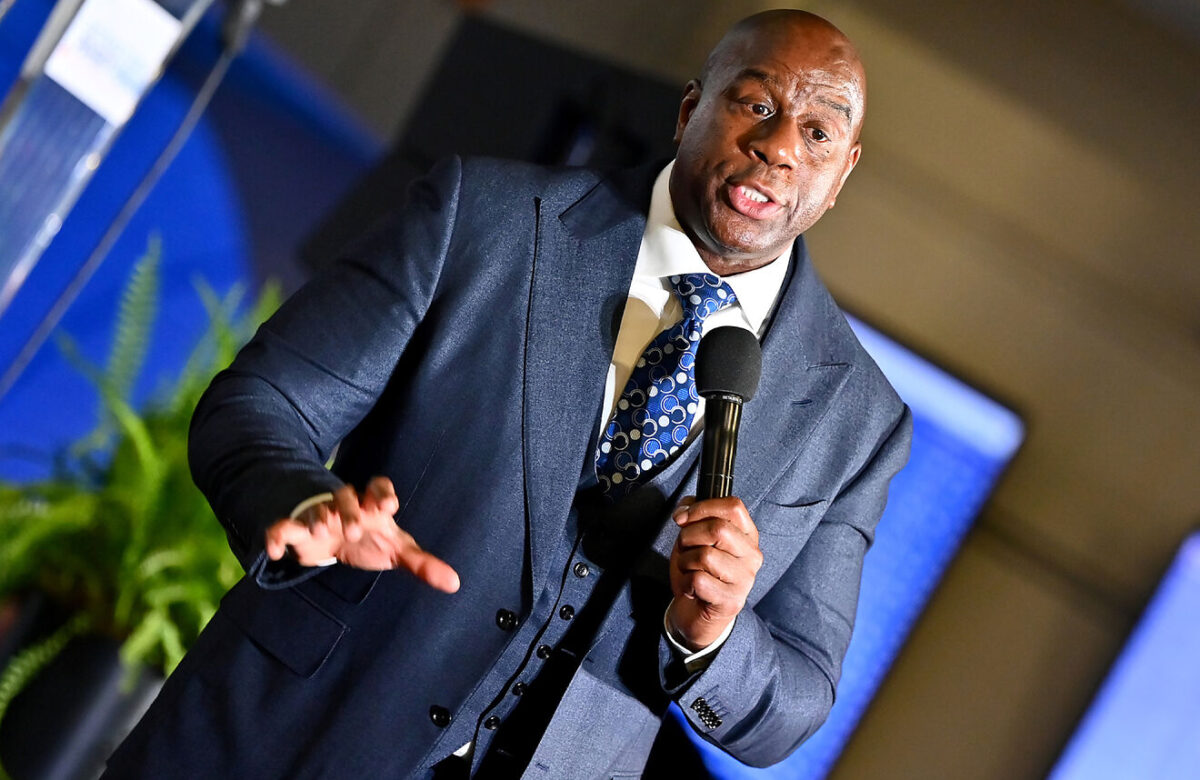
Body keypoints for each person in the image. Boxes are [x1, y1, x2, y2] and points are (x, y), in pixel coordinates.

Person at [104, 9, 910, 779]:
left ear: (843, 171)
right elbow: (259, 406)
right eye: (755, 104)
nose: (778, 147)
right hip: (280, 741)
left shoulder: (860, 421)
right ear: (690, 110)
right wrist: (305, 502)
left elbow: (796, 701)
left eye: (818, 131)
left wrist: (715, 636)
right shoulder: (482, 218)